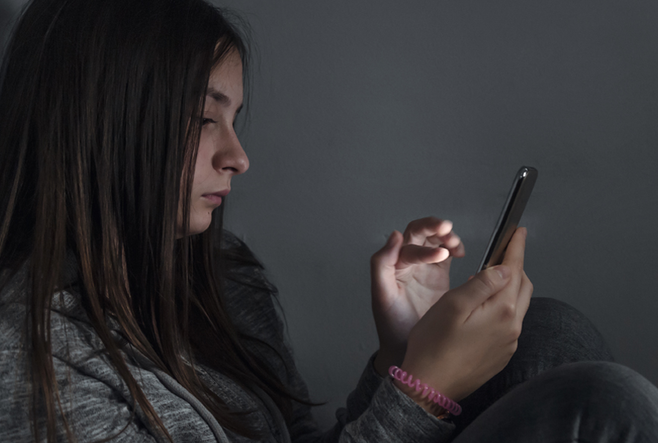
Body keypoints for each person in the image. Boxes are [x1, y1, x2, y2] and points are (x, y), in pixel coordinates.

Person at [1, 0, 657, 442]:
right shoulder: (31, 363)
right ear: (97, 126)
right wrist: (422, 392)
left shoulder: (223, 276)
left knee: (548, 329)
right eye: (205, 120)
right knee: (605, 402)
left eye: (235, 120)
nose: (238, 156)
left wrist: (401, 352)